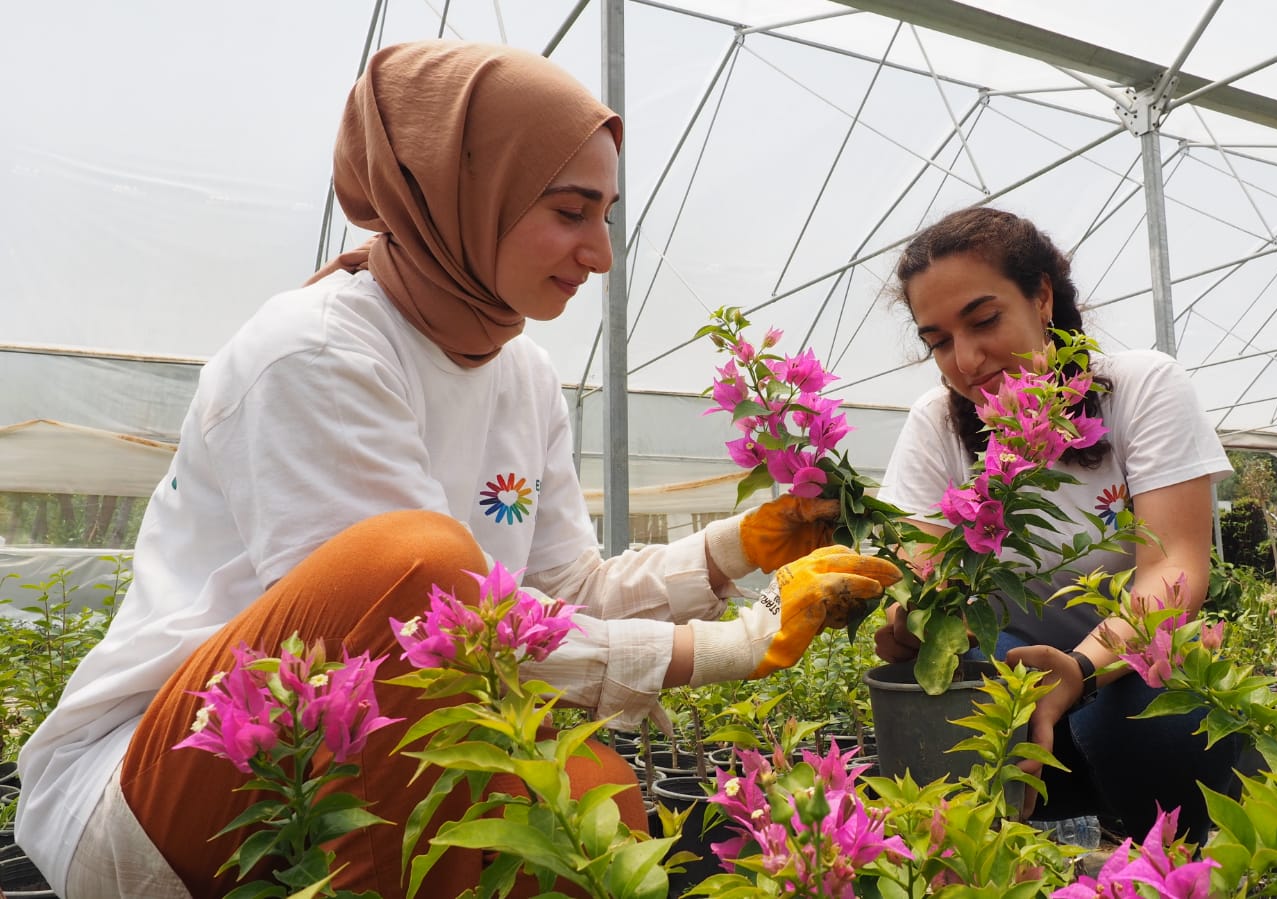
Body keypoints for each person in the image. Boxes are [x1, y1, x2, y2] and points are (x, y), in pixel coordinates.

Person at [17, 41, 898, 899]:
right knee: (412, 560)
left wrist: (736, 548)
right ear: (461, 190)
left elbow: (564, 590)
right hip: (159, 791)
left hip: (342, 758)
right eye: (568, 210)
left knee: (603, 808)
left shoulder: (523, 374)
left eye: (607, 215)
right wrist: (733, 644)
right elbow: (403, 625)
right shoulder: (314, 353)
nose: (600, 252)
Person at [872, 206, 1246, 841]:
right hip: (1011, 676)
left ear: (1042, 297)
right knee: (941, 701)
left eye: (984, 320)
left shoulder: (1141, 388)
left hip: (1129, 680)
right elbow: (923, 566)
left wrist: (1080, 667)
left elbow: (1174, 565)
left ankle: (1160, 853)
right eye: (936, 340)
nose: (964, 360)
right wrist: (914, 618)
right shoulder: (937, 423)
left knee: (1146, 718)